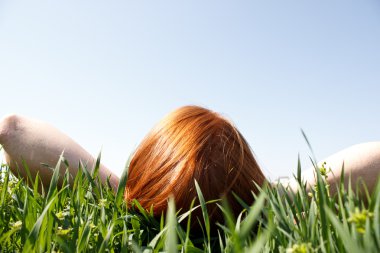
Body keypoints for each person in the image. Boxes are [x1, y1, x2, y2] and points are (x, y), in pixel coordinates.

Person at [0, 106, 379, 222]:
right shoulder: (266, 203)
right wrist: (281, 194)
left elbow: (13, 131)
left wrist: (120, 189)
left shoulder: (129, 197)